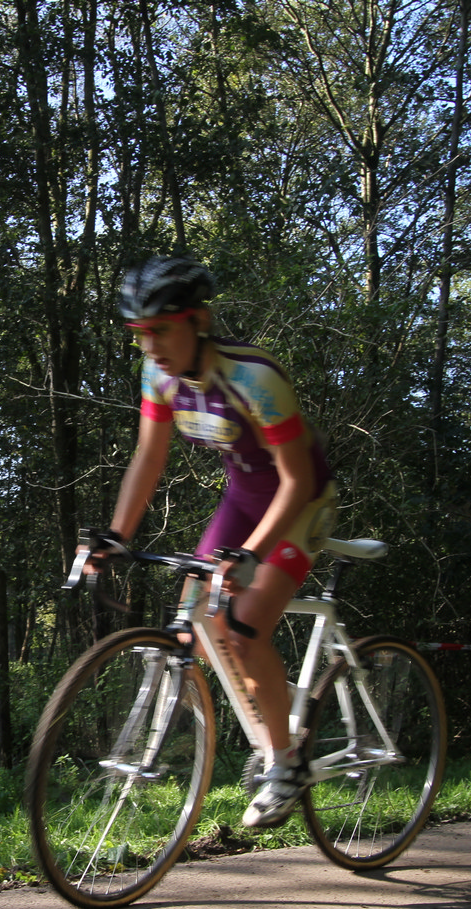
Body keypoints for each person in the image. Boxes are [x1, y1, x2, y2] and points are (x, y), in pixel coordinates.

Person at [96, 255, 338, 828]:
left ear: (198, 320)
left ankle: (284, 761)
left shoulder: (255, 377)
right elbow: (148, 457)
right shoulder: (158, 376)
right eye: (140, 333)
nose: (150, 345)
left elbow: (296, 478)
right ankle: (273, 715)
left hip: (300, 501)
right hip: (243, 501)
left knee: (245, 632)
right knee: (193, 629)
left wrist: (252, 554)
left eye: (161, 329)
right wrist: (116, 535)